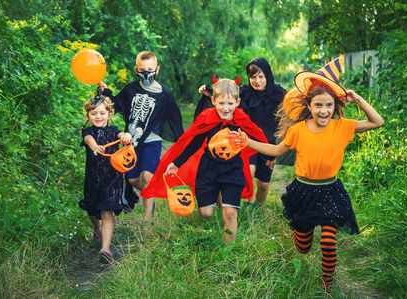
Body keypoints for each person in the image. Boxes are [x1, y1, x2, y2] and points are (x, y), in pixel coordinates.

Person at [230, 58, 384, 294]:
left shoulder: (341, 126)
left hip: (330, 190)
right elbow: (275, 150)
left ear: (335, 106)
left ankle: (326, 287)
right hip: (304, 191)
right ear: (309, 107)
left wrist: (358, 100)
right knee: (303, 247)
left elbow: (377, 122)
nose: (324, 111)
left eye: (329, 106)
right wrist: (247, 142)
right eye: (319, 105)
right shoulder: (298, 130)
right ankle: (302, 238)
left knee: (328, 242)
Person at [141, 78, 268, 243]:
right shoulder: (208, 118)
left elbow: (257, 137)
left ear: (237, 102)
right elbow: (194, 142)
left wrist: (267, 157)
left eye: (230, 103)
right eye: (221, 103)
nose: (225, 108)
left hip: (233, 169)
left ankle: (228, 250)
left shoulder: (241, 120)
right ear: (213, 100)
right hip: (209, 169)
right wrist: (176, 163)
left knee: (230, 213)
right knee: (206, 213)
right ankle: (215, 196)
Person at [99, 51, 184, 223]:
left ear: (157, 69)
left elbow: (174, 118)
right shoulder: (131, 89)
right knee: (131, 178)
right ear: (136, 70)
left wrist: (184, 141)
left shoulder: (164, 94)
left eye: (150, 69)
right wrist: (106, 92)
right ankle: (149, 190)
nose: (147, 72)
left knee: (147, 176)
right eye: (143, 69)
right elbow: (116, 104)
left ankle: (147, 219)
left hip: (152, 140)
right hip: (130, 141)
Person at [198, 57, 287, 206]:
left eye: (261, 76)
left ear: (267, 75)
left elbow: (293, 106)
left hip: (268, 143)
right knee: (248, 171)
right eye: (253, 77)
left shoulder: (279, 94)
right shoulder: (244, 92)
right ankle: (242, 202)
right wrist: (209, 91)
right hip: (245, 140)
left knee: (263, 185)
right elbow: (226, 95)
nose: (257, 80)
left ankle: (257, 207)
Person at [79, 96, 132, 264]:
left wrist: (125, 136)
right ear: (88, 116)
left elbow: (121, 134)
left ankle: (106, 249)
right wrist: (95, 147)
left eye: (102, 113)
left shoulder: (113, 130)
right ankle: (96, 227)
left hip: (112, 177)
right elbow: (89, 141)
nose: (98, 116)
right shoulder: (87, 132)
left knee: (107, 211)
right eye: (94, 113)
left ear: (110, 114)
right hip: (93, 178)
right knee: (92, 208)